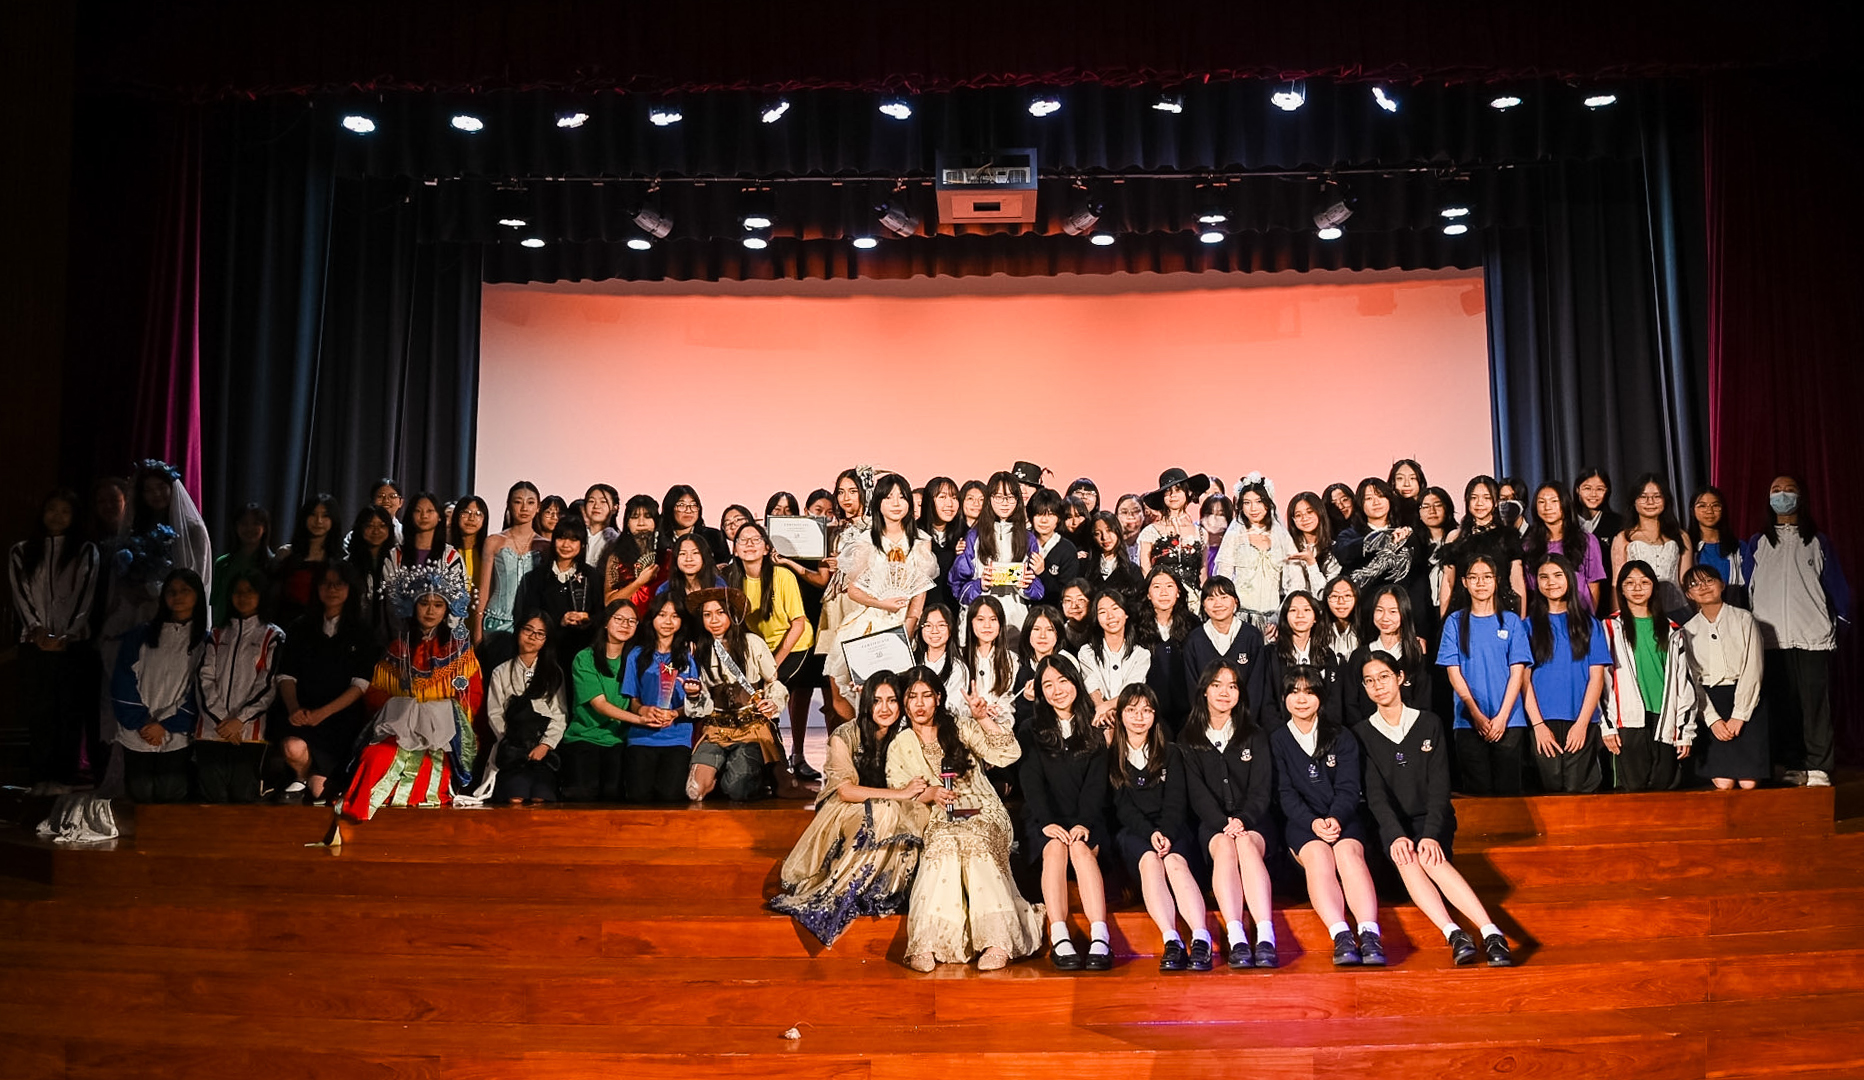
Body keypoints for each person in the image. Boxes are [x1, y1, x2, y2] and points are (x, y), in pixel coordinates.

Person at [1354, 653, 1513, 966]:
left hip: (1431, 820)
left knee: (1429, 855)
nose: (1378, 686)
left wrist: (1430, 834)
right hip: (1392, 826)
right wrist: (1396, 835)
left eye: (1384, 677)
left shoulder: (1429, 723)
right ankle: (1454, 934)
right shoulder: (1362, 733)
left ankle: (1491, 933)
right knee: (1407, 857)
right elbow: (1376, 796)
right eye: (1370, 681)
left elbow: (1440, 787)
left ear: (1400, 677)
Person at [889, 665, 1043, 972]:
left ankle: (998, 941)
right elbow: (899, 791)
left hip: (982, 807)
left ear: (938, 698)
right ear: (904, 702)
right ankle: (927, 941)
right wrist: (930, 794)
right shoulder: (901, 743)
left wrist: (983, 718)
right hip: (939, 815)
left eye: (926, 696)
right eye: (912, 696)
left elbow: (1008, 754)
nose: (919, 704)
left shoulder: (959, 726)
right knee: (944, 843)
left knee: (975, 840)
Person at [770, 675, 934, 948]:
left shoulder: (907, 736)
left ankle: (882, 890)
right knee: (884, 813)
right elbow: (846, 791)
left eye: (892, 701)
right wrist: (901, 794)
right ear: (866, 702)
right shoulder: (844, 735)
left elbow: (919, 784)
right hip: (846, 810)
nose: (885, 708)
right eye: (877, 701)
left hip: (892, 808)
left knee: (911, 815)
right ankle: (843, 894)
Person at [336, 563, 482, 824]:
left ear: (447, 609)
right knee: (373, 756)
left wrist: (432, 713)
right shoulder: (397, 649)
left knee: (428, 766)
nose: (430, 611)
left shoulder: (459, 652)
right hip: (398, 734)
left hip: (440, 739)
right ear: (413, 606)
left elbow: (471, 699)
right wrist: (405, 710)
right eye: (424, 603)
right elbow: (375, 695)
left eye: (438, 605)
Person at [1270, 665, 1385, 966]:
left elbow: (1349, 787)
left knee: (1348, 854)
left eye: (1309, 692)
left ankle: (1370, 935)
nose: (1301, 699)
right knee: (1319, 856)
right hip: (1302, 823)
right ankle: (1341, 935)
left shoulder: (1341, 736)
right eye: (1294, 692)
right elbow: (1285, 794)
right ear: (1284, 697)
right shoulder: (1278, 740)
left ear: (1320, 696)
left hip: (1342, 818)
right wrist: (1312, 822)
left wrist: (1335, 818)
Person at [1742, 475, 1849, 788]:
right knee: (1783, 703)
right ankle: (1793, 764)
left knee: (1815, 705)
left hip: (1812, 636)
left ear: (1801, 497)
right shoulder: (1758, 542)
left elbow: (1837, 588)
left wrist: (1837, 625)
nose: (1783, 494)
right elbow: (1748, 588)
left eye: (1789, 490)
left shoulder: (1818, 541)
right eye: (1776, 490)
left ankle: (1819, 765)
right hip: (1771, 639)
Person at [1180, 659, 1279, 969]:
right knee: (1224, 847)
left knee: (1245, 844)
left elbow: (1261, 789)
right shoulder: (1189, 738)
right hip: (1214, 825)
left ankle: (1265, 936)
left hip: (1254, 821)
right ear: (1204, 691)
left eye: (1232, 686)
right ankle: (1237, 937)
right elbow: (1196, 794)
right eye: (1217, 685)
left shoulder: (1255, 734)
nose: (1225, 692)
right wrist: (1223, 824)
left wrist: (1243, 821)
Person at [1019, 656, 1113, 971]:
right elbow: (1031, 782)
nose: (1057, 690)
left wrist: (1084, 822)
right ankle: (1059, 936)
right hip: (1044, 819)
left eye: (1063, 681)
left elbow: (1097, 784)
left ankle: (1100, 937)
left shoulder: (1095, 727)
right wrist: (1047, 823)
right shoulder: (1031, 729)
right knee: (1057, 848)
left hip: (1087, 817)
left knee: (1080, 849)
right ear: (1040, 691)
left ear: (1075, 682)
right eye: (1048, 684)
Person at [1110, 684, 1212, 972]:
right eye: (1132, 710)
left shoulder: (1171, 752)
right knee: (1150, 861)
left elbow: (1176, 801)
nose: (1139, 717)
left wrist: (1165, 832)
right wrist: (1149, 833)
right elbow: (1123, 808)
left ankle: (1201, 938)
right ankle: (1172, 940)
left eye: (1146, 710)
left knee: (1175, 862)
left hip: (1172, 827)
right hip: (1136, 832)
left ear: (1155, 715)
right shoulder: (1112, 756)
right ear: (1120, 715)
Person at [9, 488, 100, 793]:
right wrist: (36, 629)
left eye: (65, 511)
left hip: (72, 645)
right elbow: (21, 594)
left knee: (69, 713)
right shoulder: (21, 551)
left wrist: (67, 634)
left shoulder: (85, 550)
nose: (57, 516)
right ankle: (39, 778)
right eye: (52, 509)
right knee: (39, 713)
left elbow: (85, 594)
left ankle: (63, 778)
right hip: (34, 645)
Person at [688, 587, 812, 802]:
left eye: (720, 613)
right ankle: (726, 768)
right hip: (716, 729)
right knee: (695, 791)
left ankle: (757, 774)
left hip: (751, 729)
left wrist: (772, 703)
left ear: (732, 615)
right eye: (707, 615)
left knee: (737, 790)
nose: (714, 620)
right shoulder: (699, 648)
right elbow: (703, 699)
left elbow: (773, 681)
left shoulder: (752, 642)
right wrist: (693, 695)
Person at [275, 562, 381, 803]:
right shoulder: (300, 627)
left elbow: (360, 684)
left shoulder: (362, 631)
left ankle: (314, 780)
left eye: (339, 584)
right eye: (325, 583)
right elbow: (286, 676)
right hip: (303, 712)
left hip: (340, 719)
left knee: (320, 792)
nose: (332, 589)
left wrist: (323, 713)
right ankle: (300, 776)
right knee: (292, 748)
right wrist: (294, 709)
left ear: (350, 588)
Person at [827, 474, 938, 701]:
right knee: (865, 695)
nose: (896, 503)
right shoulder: (866, 540)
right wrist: (881, 603)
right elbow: (853, 590)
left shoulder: (921, 540)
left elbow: (920, 591)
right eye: (889, 497)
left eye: (902, 497)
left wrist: (909, 626)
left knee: (902, 693)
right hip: (871, 622)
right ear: (878, 502)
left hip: (908, 622)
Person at [1437, 555, 1532, 795]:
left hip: (1509, 721)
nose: (1480, 583)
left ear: (1496, 581)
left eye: (1487, 577)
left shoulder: (1511, 621)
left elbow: (1517, 673)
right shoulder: (1455, 622)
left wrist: (1502, 717)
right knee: (1477, 797)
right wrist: (1475, 714)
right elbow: (1453, 672)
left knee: (1508, 796)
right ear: (1464, 582)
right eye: (1474, 577)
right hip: (1468, 722)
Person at [111, 569, 207, 803]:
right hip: (140, 728)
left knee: (170, 792)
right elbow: (123, 679)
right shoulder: (141, 635)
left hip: (176, 731)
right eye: (171, 591)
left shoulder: (205, 642)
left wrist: (165, 724)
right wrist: (142, 721)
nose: (177, 596)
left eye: (185, 590)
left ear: (198, 595)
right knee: (140, 792)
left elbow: (202, 689)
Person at [1601, 561, 1698, 792]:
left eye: (1644, 582)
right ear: (1621, 588)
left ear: (1654, 587)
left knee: (1664, 788)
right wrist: (1608, 726)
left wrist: (1684, 731)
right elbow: (1602, 681)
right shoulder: (1609, 627)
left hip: (1664, 719)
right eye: (1630, 583)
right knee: (1632, 790)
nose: (1637, 588)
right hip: (1627, 721)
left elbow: (1683, 683)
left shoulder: (1673, 630)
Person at [1520, 555, 1612, 793]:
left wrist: (1581, 724)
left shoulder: (1589, 625)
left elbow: (1596, 678)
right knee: (1547, 792)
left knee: (1578, 792)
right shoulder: (1526, 626)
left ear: (1569, 579)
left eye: (1557, 575)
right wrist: (1538, 726)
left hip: (1581, 720)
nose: (1551, 582)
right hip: (1542, 723)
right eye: (1544, 577)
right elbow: (1523, 680)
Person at [193, 569, 282, 803]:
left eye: (250, 591)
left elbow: (268, 684)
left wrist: (239, 720)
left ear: (262, 595)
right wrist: (222, 720)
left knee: (243, 798)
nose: (243, 596)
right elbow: (203, 679)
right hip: (211, 731)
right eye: (237, 592)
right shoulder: (217, 634)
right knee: (212, 799)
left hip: (250, 733)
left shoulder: (272, 635)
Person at [1682, 565, 1770, 791]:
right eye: (1695, 584)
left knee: (1748, 783)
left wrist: (1740, 714)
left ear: (1721, 584)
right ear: (1689, 595)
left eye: (1708, 580)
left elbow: (1753, 668)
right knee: (1724, 783)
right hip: (1711, 702)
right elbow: (1691, 680)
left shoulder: (1744, 619)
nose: (1703, 587)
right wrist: (1712, 719)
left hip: (1746, 698)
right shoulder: (1687, 630)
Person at [619, 592, 710, 802]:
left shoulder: (687, 657)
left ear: (681, 621)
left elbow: (693, 703)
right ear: (652, 618)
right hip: (642, 736)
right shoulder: (636, 655)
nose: (668, 621)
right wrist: (643, 710)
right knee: (638, 796)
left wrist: (675, 714)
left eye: (674, 616)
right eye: (662, 615)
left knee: (670, 795)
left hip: (677, 737)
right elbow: (633, 701)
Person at [481, 612, 568, 805]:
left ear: (546, 640)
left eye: (540, 634)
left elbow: (559, 714)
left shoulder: (553, 673)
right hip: (513, 749)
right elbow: (495, 714)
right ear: (518, 631)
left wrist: (545, 745)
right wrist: (512, 743)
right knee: (515, 797)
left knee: (540, 797)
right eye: (528, 630)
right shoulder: (501, 672)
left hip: (543, 750)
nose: (532, 637)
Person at [951, 471, 1045, 634]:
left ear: (1018, 500)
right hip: (978, 623)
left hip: (1015, 624)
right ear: (989, 498)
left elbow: (1038, 591)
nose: (1005, 503)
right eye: (999, 497)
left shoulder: (1027, 538)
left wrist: (1026, 585)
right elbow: (957, 586)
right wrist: (980, 584)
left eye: (1010, 497)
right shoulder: (974, 536)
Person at [563, 601, 638, 801]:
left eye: (632, 621)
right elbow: (600, 705)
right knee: (583, 796)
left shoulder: (635, 658)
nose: (625, 625)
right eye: (619, 619)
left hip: (618, 739)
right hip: (585, 736)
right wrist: (640, 720)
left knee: (614, 795)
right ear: (606, 622)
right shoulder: (585, 658)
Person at [475, 481, 542, 669]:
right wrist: (477, 630)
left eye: (530, 502)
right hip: (496, 622)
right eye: (518, 502)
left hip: (530, 627)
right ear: (508, 505)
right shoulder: (494, 541)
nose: (524, 508)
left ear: (538, 507)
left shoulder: (545, 545)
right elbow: (484, 589)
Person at [1342, 584, 1433, 722]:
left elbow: (1423, 702)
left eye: (1393, 611)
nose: (1385, 618)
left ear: (1404, 613)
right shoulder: (1359, 656)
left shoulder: (1415, 655)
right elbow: (1351, 704)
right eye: (1379, 610)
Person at [514, 517, 598, 667]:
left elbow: (602, 613)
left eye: (573, 540)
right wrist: (560, 620)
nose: (566, 545)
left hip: (582, 655)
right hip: (545, 654)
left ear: (582, 544)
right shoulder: (537, 576)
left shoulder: (592, 576)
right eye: (561, 538)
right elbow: (529, 614)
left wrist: (587, 618)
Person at [1439, 476, 1527, 618]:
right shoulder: (1455, 537)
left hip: (1501, 609)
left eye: (1486, 498)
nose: (1479, 503)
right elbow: (1448, 582)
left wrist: (1520, 620)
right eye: (1474, 498)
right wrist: (1444, 619)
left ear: (1496, 501)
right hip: (1463, 611)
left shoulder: (1508, 536)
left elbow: (1517, 580)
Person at [1610, 474, 1694, 619]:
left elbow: (1685, 580)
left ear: (1665, 500)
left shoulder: (1681, 537)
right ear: (1634, 501)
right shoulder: (1623, 537)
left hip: (1677, 610)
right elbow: (1617, 583)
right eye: (1643, 497)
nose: (1650, 502)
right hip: (1638, 612)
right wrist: (1618, 618)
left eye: (1657, 496)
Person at [1251, 591, 1339, 727]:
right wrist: (1282, 735)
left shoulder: (1327, 655)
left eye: (1306, 610)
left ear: (1315, 617)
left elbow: (1333, 702)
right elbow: (1266, 704)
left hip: (1320, 732)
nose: (1300, 615)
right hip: (1280, 732)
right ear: (1285, 617)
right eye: (1293, 610)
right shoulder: (1269, 654)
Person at [1214, 476, 1293, 627]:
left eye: (1259, 501)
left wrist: (1280, 616)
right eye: (1247, 502)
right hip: (1240, 617)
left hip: (1273, 621)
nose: (1253, 508)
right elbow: (1223, 579)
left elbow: (1294, 580)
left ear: (1268, 503)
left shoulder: (1282, 537)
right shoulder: (1234, 536)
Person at [1181, 577, 1268, 711]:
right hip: (1205, 718)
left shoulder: (1251, 636)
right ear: (1203, 604)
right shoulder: (1194, 639)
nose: (1218, 604)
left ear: (1235, 601)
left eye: (1224, 597)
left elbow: (1256, 685)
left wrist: (1244, 718)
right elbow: (1192, 687)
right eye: (1211, 599)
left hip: (1245, 717)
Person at [1523, 483, 1606, 610]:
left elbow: (1594, 585)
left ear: (1565, 504)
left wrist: (1589, 617)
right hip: (1545, 616)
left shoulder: (1586, 541)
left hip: (1579, 615)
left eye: (1554, 501)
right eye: (1541, 502)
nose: (1547, 507)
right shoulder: (1529, 545)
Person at [1137, 567, 1198, 736]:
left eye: (1169, 586)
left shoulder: (1193, 625)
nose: (1163, 592)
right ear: (1148, 594)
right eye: (1157, 587)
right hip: (1148, 711)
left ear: (1178, 592)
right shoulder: (1136, 626)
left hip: (1188, 712)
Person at [1076, 589, 1150, 727]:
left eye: (1115, 609)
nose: (1110, 616)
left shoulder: (1141, 654)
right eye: (1102, 612)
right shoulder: (1086, 652)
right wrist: (1102, 709)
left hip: (1131, 717)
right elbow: (1092, 685)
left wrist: (1105, 707)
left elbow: (1131, 689)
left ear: (1126, 614)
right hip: (1097, 719)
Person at [1137, 468, 1208, 609]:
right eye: (1167, 491)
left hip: (1193, 602)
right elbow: (1146, 570)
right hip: (1162, 601)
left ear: (1187, 492)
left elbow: (1203, 571)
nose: (1172, 495)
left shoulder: (1200, 533)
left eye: (1178, 490)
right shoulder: (1150, 532)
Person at [270, 494, 340, 631]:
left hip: (324, 628)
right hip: (286, 626)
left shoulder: (340, 559)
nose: (318, 521)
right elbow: (272, 598)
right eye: (313, 514)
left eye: (325, 516)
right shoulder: (285, 554)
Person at [209, 503, 271, 627]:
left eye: (255, 523)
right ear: (235, 527)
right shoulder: (222, 563)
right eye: (244, 523)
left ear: (264, 528)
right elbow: (217, 604)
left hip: (261, 632)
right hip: (226, 630)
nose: (249, 528)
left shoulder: (273, 563)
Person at [1574, 468, 1626, 611]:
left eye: (1600, 489)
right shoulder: (1566, 523)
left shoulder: (1618, 523)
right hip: (1573, 600)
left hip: (1608, 598)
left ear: (1607, 492)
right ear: (1577, 490)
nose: (1593, 494)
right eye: (1587, 488)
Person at [1687, 485, 1744, 607]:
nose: (1709, 511)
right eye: (1702, 506)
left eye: (1715, 505)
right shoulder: (1687, 547)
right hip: (1697, 611)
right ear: (1692, 511)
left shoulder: (1739, 547)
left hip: (1734, 608)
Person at [1283, 490, 1342, 604]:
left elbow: (1326, 595)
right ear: (1293, 520)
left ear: (1320, 513)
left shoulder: (1334, 549)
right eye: (1298, 515)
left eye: (1309, 512)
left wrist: (1311, 563)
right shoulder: (1288, 548)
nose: (1305, 518)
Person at [1026, 488, 1082, 606]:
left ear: (1059, 518)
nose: (1044, 520)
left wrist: (1042, 573)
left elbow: (1065, 593)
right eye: (1039, 514)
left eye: (1051, 514)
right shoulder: (1020, 541)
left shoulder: (1067, 550)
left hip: (1051, 611)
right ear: (1031, 516)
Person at [661, 483, 731, 565]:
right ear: (670, 508)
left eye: (693, 505)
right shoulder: (659, 539)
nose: (688, 510)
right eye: (681, 505)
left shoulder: (713, 536)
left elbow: (725, 565)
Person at [1082, 510, 1143, 598]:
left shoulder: (1132, 570)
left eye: (1109, 530)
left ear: (1117, 531)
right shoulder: (1085, 568)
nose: (1104, 537)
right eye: (1097, 533)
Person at [580, 483, 621, 573]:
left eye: (603, 502)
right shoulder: (577, 534)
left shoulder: (616, 541)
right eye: (591, 501)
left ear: (615, 508)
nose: (596, 506)